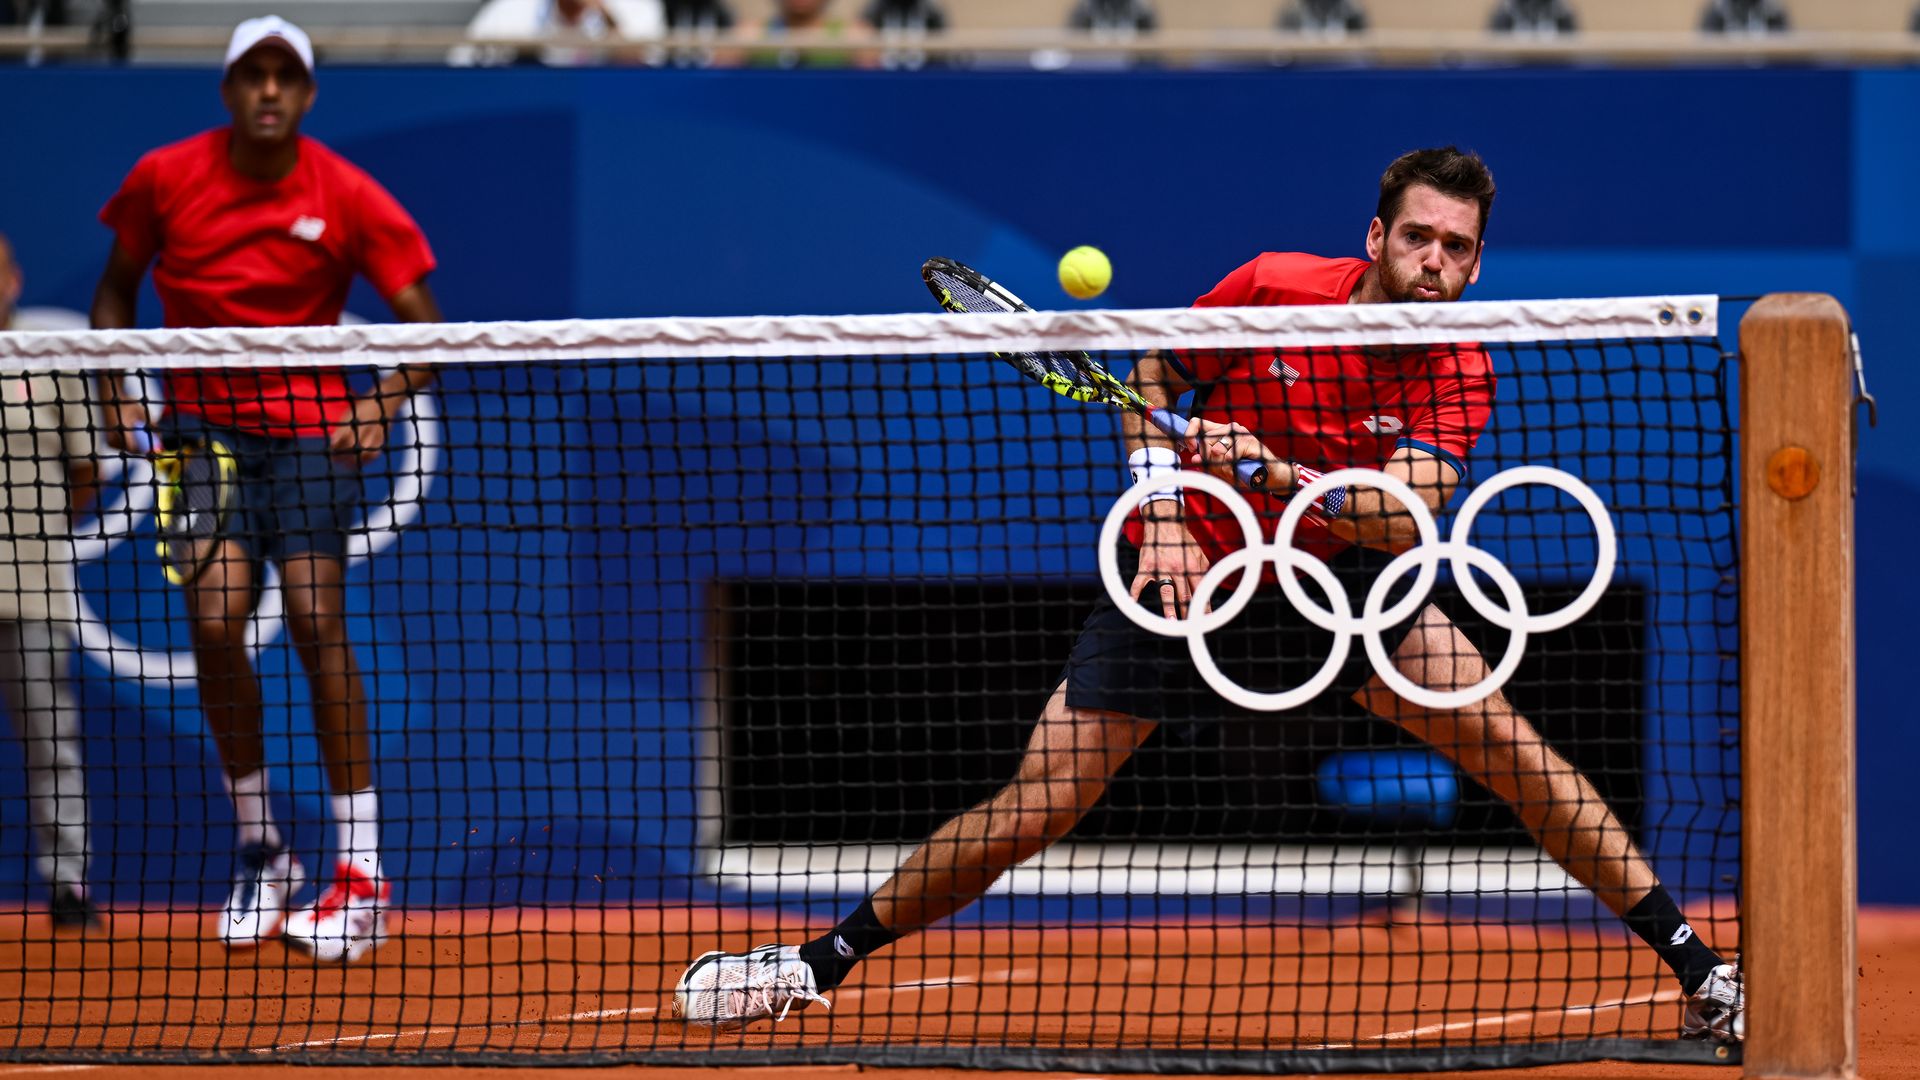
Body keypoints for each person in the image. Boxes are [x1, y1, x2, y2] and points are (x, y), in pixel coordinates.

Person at [673, 147, 1746, 1044]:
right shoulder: (1276, 289)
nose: (1434, 260)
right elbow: (1150, 380)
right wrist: (1172, 513)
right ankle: (812, 963)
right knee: (1040, 802)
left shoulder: (1463, 362)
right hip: (1198, 568)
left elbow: (1402, 514)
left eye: (1456, 247)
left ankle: (1702, 974)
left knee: (1516, 753)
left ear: (1474, 265)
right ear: (1374, 239)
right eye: (1417, 236)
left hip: (1345, 582)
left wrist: (1276, 474)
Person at [89, 16, 441, 964]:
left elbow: (425, 331)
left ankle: (361, 871)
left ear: (310, 94)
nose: (271, 90)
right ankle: (261, 848)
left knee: (319, 621)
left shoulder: (350, 194)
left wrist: (383, 401)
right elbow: (116, 289)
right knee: (213, 623)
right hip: (203, 436)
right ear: (229, 89)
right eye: (255, 74)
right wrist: (117, 383)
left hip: (309, 439)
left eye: (287, 76)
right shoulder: (165, 177)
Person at [0, 231, 100, 929]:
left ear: (13, 276)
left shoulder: (48, 353)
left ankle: (67, 887)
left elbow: (87, 466)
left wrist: (37, 531)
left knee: (50, 739)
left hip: (31, 585)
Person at [455, 0, 664, 66]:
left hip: (610, 121)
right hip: (528, 117)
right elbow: (464, 65)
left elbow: (645, 74)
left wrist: (606, 17)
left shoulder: (638, 6)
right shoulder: (512, 7)